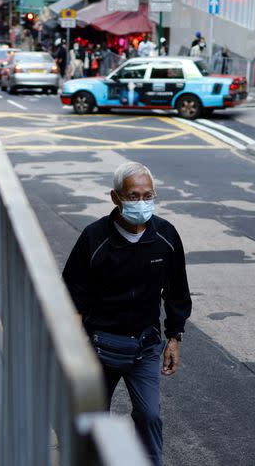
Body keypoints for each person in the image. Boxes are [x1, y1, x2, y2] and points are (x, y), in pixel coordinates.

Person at [63, 162, 191, 466]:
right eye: (133, 196)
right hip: (98, 347)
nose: (142, 203)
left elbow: (177, 292)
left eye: (148, 196)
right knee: (91, 422)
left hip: (144, 347)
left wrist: (174, 338)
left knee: (149, 417)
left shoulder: (166, 236)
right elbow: (73, 299)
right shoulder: (95, 238)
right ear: (115, 197)